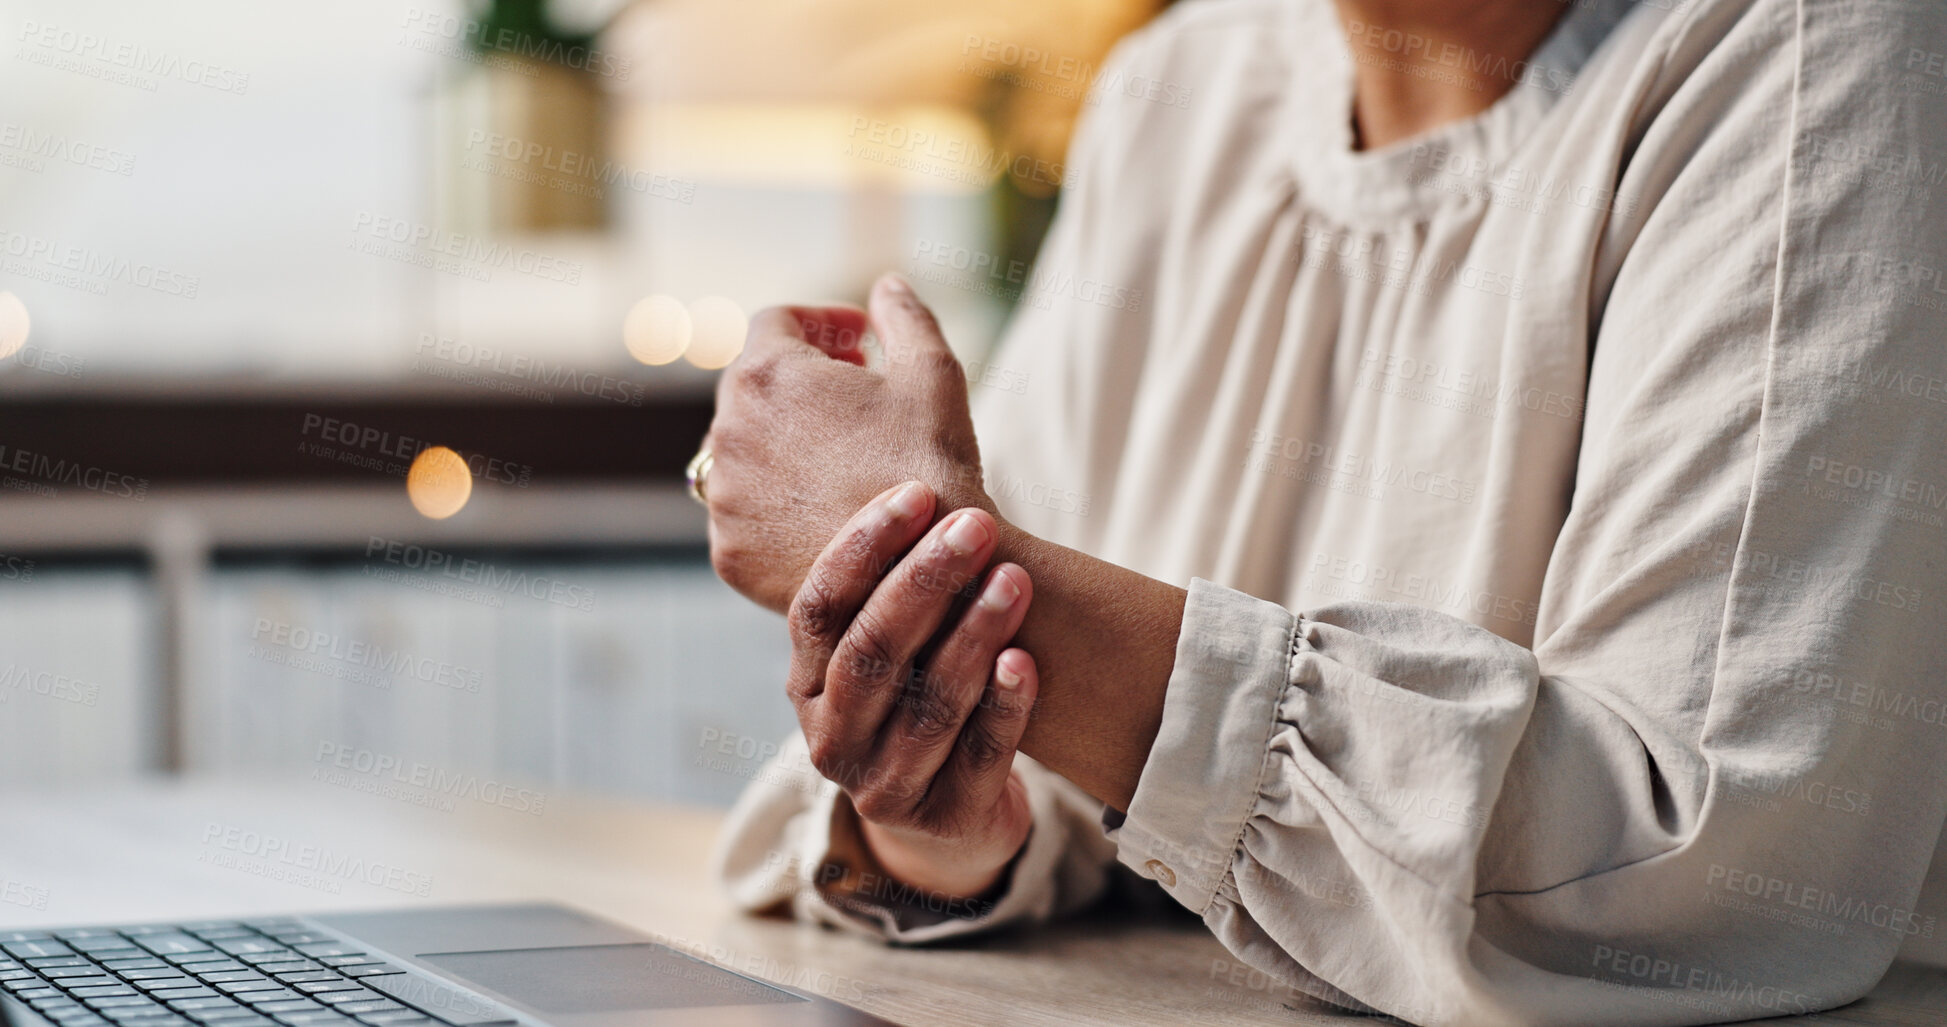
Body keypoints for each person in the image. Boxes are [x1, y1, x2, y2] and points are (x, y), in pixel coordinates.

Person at [692, 0, 1947, 1022]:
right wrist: (940, 801)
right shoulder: (1180, 84)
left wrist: (906, 548)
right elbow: (1028, 767)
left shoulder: (1812, 49)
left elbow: (1697, 864)